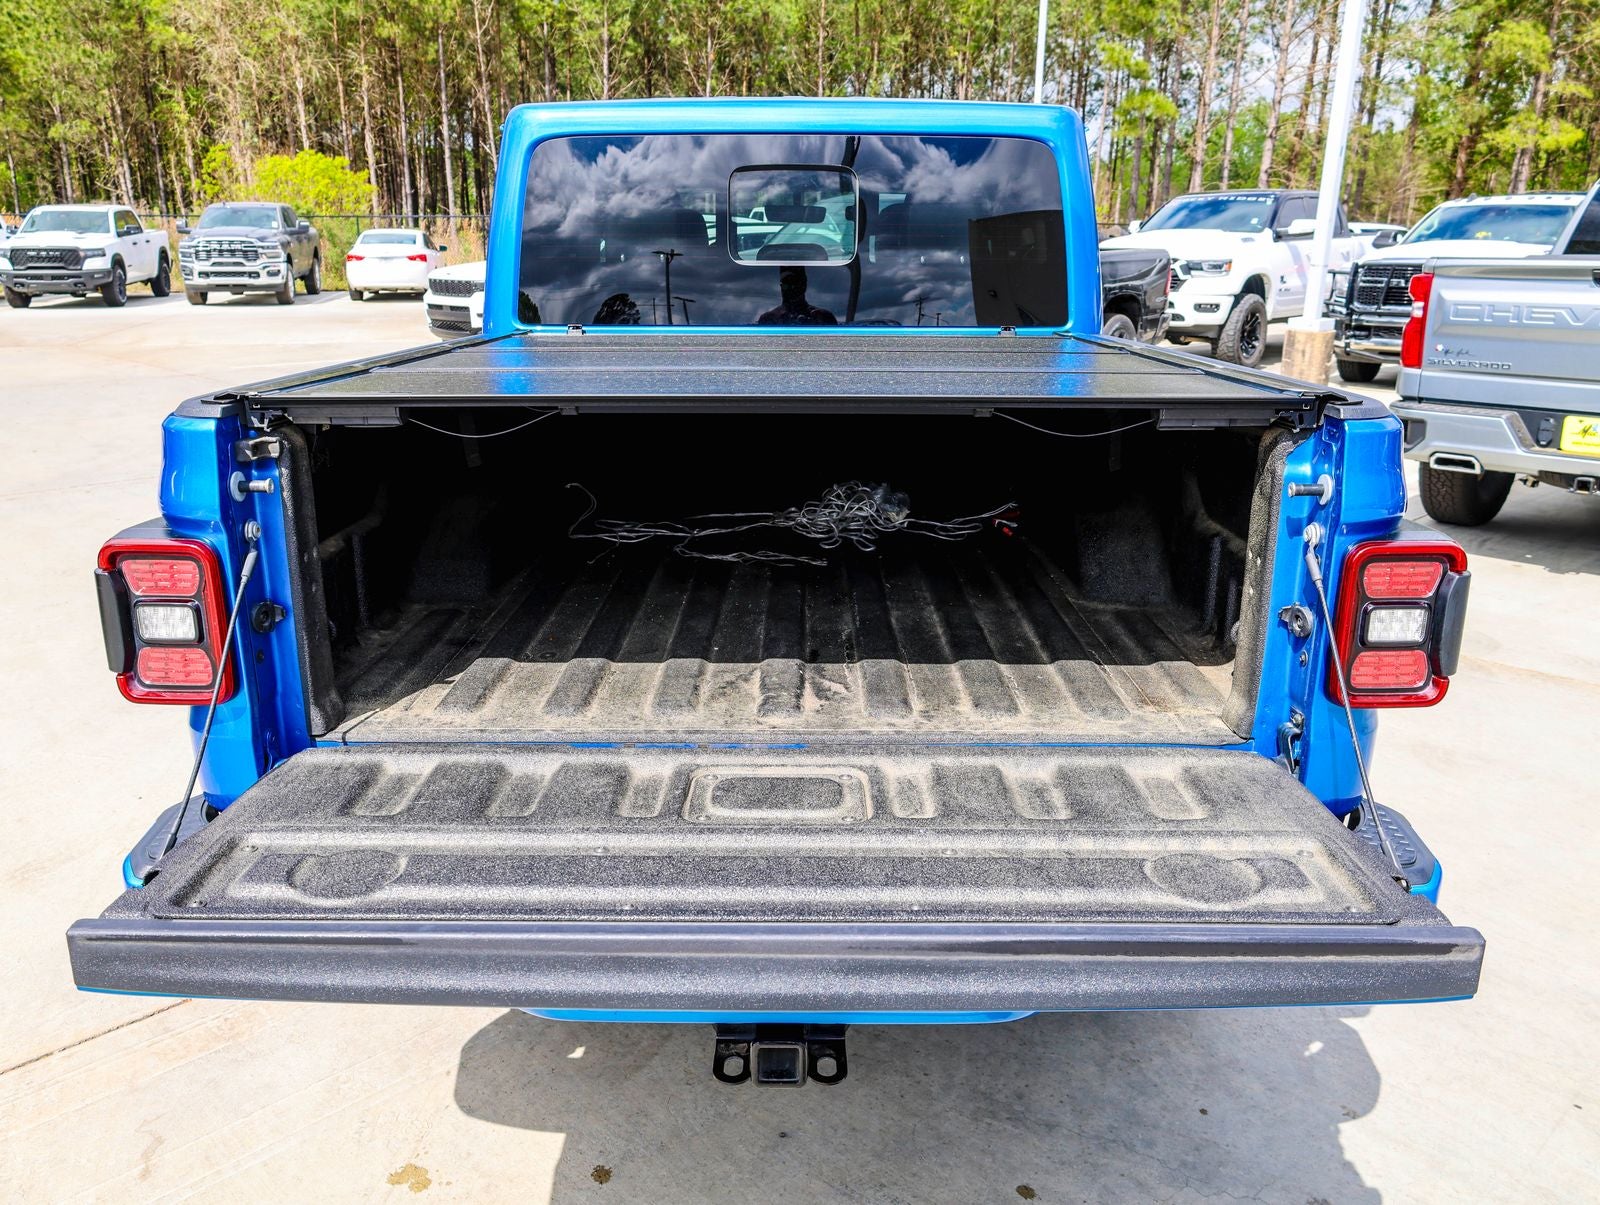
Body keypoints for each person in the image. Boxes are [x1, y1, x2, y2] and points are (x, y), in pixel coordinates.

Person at [757, 267, 838, 325]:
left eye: (794, 282)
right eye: (786, 283)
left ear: (804, 284)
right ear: (781, 286)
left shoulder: (824, 317)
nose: (791, 287)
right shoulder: (768, 319)